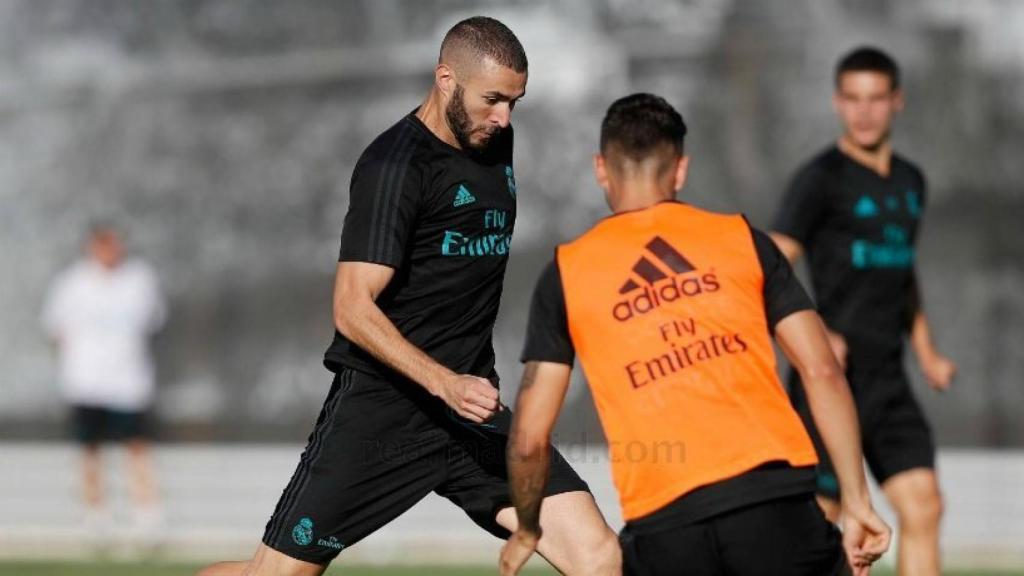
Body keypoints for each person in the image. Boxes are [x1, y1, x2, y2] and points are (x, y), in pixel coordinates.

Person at [197, 16, 619, 576]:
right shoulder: (393, 167)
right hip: (383, 412)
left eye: (515, 102)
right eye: (492, 99)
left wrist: (459, 388)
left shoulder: (495, 140)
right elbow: (351, 307)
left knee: (598, 555)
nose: (505, 117)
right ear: (446, 79)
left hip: (471, 415)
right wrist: (443, 382)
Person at [499, 93, 891, 576]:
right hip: (774, 506)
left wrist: (529, 526)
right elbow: (822, 370)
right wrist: (856, 501)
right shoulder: (741, 239)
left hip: (666, 525)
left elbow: (527, 439)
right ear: (680, 170)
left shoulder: (567, 273)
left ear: (602, 168)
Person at [771, 47, 955, 576]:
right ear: (837, 103)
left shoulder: (912, 181)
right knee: (827, 524)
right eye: (853, 98)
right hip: (831, 379)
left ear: (896, 101)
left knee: (925, 506)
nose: (864, 111)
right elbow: (771, 265)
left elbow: (902, 271)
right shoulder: (820, 179)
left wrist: (927, 352)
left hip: (889, 381)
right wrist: (818, 331)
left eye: (876, 98)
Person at [42, 222, 166, 533]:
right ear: (92, 247)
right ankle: (96, 514)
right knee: (90, 449)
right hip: (85, 382)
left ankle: (146, 512)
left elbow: (154, 321)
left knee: (136, 446)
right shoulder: (72, 282)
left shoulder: (140, 279)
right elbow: (55, 327)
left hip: (128, 382)